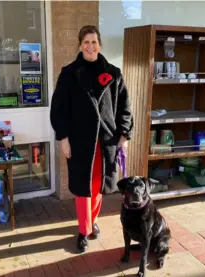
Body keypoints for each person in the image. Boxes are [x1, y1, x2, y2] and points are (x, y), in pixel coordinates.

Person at [50, 25, 133, 253]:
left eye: (94, 42)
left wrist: (124, 134)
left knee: (98, 186)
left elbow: (125, 107)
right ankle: (83, 230)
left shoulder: (114, 73)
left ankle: (92, 221)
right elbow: (59, 109)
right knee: (82, 186)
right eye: (86, 42)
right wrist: (63, 139)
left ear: (100, 44)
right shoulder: (69, 73)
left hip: (106, 141)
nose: (90, 46)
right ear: (80, 45)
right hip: (79, 141)